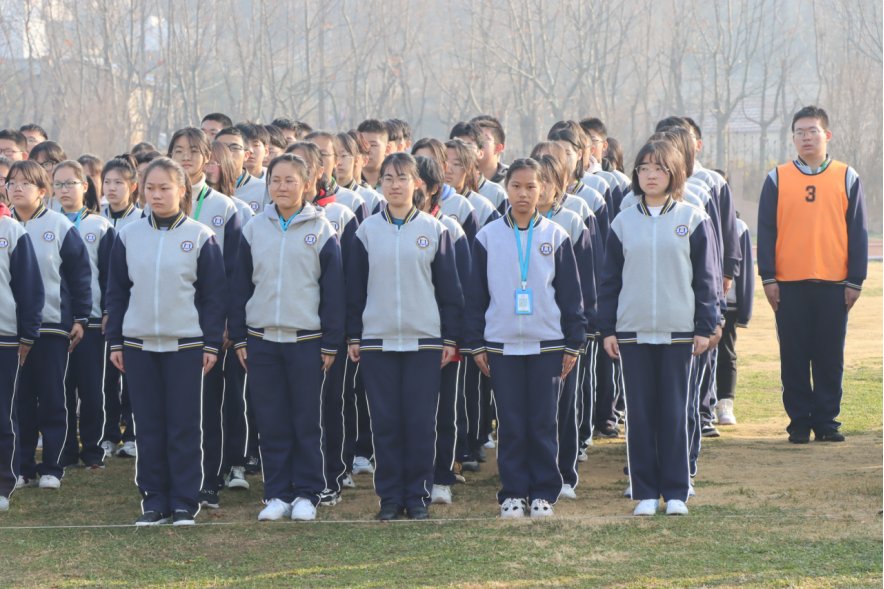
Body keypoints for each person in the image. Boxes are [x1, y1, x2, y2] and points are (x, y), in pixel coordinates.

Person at [598, 140, 718, 517]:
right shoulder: (623, 221)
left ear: (675, 174)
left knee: (676, 412)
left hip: (679, 333)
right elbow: (609, 282)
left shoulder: (693, 218)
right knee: (641, 414)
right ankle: (645, 490)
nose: (650, 175)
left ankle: (677, 490)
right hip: (632, 333)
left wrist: (704, 326)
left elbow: (707, 280)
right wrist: (608, 329)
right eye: (644, 168)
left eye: (659, 168)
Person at [106, 157, 226, 526]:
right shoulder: (128, 235)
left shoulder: (201, 236)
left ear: (182, 190)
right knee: (149, 425)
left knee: (184, 425)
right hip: (139, 346)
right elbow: (117, 293)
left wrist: (209, 344)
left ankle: (185, 502)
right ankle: (155, 500)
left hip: (186, 346)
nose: (156, 195)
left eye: (165, 188)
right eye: (150, 188)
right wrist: (115, 342)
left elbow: (213, 297)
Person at [464, 157, 585, 519]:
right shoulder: (487, 237)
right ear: (506, 188)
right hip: (501, 345)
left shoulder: (555, 236)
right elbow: (475, 297)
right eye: (516, 186)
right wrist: (476, 344)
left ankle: (543, 493)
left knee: (543, 422)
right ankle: (513, 493)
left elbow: (570, 296)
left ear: (543, 190)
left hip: (547, 344)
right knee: (512, 423)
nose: (523, 193)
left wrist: (573, 343)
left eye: (531, 186)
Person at [346, 153, 463, 521]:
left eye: (402, 178)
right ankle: (390, 498)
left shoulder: (434, 229)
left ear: (418, 185)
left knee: (419, 422)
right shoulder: (366, 231)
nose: (395, 185)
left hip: (424, 342)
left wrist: (449, 338)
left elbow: (449, 290)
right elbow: (354, 290)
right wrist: (354, 335)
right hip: (378, 342)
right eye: (388, 178)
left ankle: (417, 496)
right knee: (385, 422)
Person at [230, 153, 345, 521]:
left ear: (307, 184)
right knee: (271, 418)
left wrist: (330, 341)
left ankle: (308, 493)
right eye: (275, 180)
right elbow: (239, 287)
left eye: (290, 180)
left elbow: (334, 291)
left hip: (307, 341)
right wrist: (241, 337)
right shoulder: (253, 228)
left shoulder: (322, 229)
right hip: (262, 339)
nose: (282, 186)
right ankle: (277, 493)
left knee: (307, 420)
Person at [757, 105, 867, 444]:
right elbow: (765, 231)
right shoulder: (777, 178)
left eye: (812, 131)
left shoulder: (847, 176)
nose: (806, 137)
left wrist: (855, 280)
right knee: (793, 355)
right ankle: (799, 422)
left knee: (829, 356)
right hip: (789, 285)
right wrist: (769, 277)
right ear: (793, 138)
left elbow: (858, 232)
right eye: (800, 132)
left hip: (834, 285)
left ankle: (827, 421)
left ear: (827, 135)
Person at [168, 127, 241, 509]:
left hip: (207, 322)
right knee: (171, 407)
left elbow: (232, 271)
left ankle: (209, 479)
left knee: (207, 404)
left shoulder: (224, 208)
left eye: (193, 151)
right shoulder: (157, 202)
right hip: (166, 320)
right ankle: (173, 478)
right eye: (178, 151)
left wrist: (226, 322)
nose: (185, 158)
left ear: (207, 158)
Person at [9, 160, 91, 490]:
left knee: (53, 396)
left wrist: (81, 317)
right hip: (11, 329)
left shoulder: (58, 226)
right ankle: (23, 465)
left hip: (53, 326)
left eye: (25, 183)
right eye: (11, 182)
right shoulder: (5, 227)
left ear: (43, 192)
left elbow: (79, 274)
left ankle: (52, 467)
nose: (16, 188)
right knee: (19, 399)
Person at [535, 154, 598, 500]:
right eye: (532, 182)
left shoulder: (572, 222)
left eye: (545, 182)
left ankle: (563, 474)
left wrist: (582, 328)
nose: (538, 189)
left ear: (560, 185)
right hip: (527, 331)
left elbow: (586, 280)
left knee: (564, 405)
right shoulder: (513, 221)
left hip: (563, 332)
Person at [414, 154, 471, 505]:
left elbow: (462, 290)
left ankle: (441, 475)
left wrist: (453, 338)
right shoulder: (380, 225)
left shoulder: (449, 228)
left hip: (441, 336)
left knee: (443, 408)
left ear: (434, 189)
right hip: (401, 332)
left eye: (414, 180)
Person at [52, 161, 115, 469]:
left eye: (71, 183)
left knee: (91, 389)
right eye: (59, 184)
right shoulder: (48, 223)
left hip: (91, 322)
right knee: (60, 388)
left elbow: (109, 275)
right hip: (56, 319)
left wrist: (107, 311)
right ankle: (65, 450)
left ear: (85, 186)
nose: (65, 190)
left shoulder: (100, 226)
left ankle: (92, 449)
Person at [0, 205, 44, 511]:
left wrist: (27, 334)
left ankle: (3, 482)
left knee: (2, 414)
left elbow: (29, 287)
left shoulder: (12, 230)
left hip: (3, 336)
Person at [99, 155, 141, 458]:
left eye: (118, 183)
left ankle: (134, 434)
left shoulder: (141, 220)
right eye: (107, 182)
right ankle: (109, 432)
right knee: (107, 377)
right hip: (105, 308)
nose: (111, 188)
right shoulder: (96, 218)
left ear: (133, 186)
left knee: (134, 375)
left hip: (135, 307)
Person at [716, 210, 754, 425]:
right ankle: (702, 404)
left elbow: (745, 267)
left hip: (727, 301)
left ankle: (725, 403)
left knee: (725, 352)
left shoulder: (738, 226)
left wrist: (744, 308)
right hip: (695, 300)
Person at [449, 121, 508, 212]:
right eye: (457, 144)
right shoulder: (438, 190)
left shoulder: (495, 193)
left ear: (480, 153)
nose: (462, 151)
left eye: (468, 145)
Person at [215, 127, 267, 215]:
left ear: (246, 155)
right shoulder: (203, 188)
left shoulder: (264, 190)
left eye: (235, 148)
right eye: (222, 147)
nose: (228, 152)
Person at [469, 115, 509, 183]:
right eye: (471, 139)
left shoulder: (511, 182)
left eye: (482, 139)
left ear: (498, 148)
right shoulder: (455, 180)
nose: (475, 144)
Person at [355, 119, 391, 189]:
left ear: (387, 149)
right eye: (362, 144)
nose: (367, 149)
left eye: (373, 145)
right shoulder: (346, 182)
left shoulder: (394, 183)